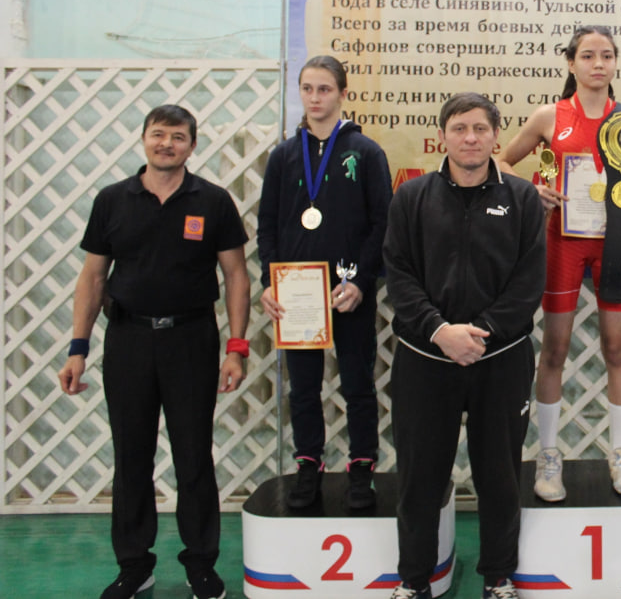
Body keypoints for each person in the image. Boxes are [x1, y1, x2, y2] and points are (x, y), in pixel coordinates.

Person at [57, 104, 251, 599]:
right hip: (128, 341)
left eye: (178, 137)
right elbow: (93, 278)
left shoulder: (213, 201)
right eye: (159, 134)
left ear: (193, 145)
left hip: (192, 341)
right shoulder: (112, 200)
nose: (167, 144)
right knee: (131, 456)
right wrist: (78, 348)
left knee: (194, 456)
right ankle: (134, 565)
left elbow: (235, 276)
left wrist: (236, 348)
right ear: (144, 138)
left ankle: (201, 564)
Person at [500, 25, 621, 501]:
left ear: (616, 63)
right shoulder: (550, 116)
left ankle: (620, 454)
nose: (598, 64)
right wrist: (530, 190)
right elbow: (502, 163)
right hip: (562, 241)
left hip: (614, 242)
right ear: (571, 62)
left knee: (616, 348)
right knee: (554, 349)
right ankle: (549, 455)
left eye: (607, 56)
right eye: (588, 56)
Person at [383, 93, 545, 599]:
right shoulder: (411, 197)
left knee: (500, 475)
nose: (470, 138)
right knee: (419, 477)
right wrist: (439, 331)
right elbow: (399, 274)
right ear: (443, 136)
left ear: (497, 136)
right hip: (425, 358)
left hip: (500, 358)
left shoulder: (523, 199)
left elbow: (529, 282)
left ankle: (498, 577)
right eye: (459, 128)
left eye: (479, 128)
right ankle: (414, 580)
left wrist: (482, 333)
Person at [258, 55, 393, 509]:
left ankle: (361, 467)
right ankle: (308, 465)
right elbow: (267, 225)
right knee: (303, 387)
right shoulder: (283, 156)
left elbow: (382, 223)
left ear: (342, 93)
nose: (315, 98)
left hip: (348, 290)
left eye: (324, 89)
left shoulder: (366, 152)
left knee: (357, 383)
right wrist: (270, 281)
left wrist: (362, 281)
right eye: (308, 89)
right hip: (297, 292)